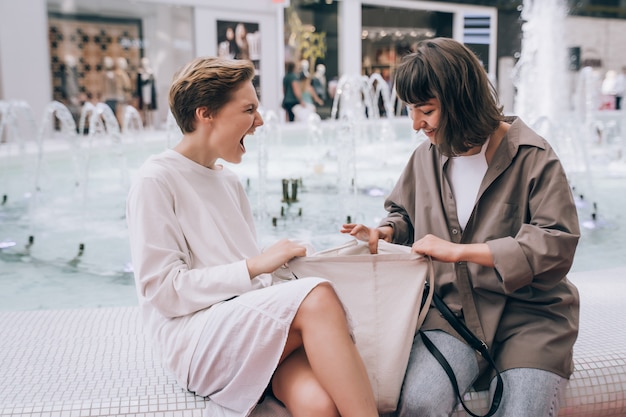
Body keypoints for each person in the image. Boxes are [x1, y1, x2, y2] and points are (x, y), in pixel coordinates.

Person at [126, 56, 378, 417]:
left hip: (247, 326)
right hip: (196, 340)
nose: (259, 121)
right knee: (317, 297)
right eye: (249, 110)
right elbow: (164, 292)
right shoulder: (155, 180)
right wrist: (256, 264)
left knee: (319, 406)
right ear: (205, 113)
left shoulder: (227, 181)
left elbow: (242, 268)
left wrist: (280, 265)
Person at [341, 37, 580, 417]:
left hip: (532, 319)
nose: (416, 124)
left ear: (460, 102)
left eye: (427, 110)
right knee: (419, 404)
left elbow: (557, 243)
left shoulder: (534, 157)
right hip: (453, 317)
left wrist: (461, 252)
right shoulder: (425, 157)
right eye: (411, 110)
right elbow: (404, 212)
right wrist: (386, 232)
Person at [136, 57, 157, 127]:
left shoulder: (151, 72)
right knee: (143, 107)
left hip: (149, 92)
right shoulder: (140, 73)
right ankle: (145, 122)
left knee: (150, 108)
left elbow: (153, 84)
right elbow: (138, 85)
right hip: (143, 92)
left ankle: (151, 123)